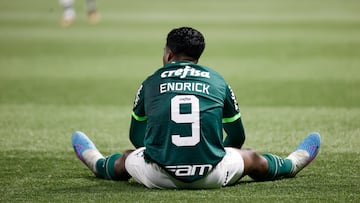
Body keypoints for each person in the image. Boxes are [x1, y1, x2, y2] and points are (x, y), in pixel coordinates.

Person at [71, 27, 321, 189]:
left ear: (168, 55)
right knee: (252, 157)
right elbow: (238, 137)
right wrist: (206, 152)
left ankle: (98, 163)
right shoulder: (217, 80)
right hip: (212, 176)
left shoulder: (150, 82)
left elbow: (136, 136)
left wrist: (164, 152)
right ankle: (291, 164)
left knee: (126, 158)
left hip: (159, 177)